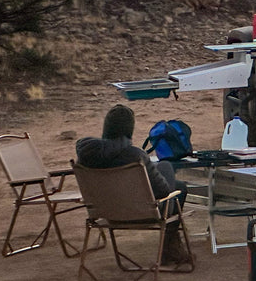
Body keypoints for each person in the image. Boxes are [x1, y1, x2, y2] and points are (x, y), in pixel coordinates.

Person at [75, 104, 192, 266]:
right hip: (141, 213)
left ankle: (172, 249)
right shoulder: (135, 156)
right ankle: (170, 250)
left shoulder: (86, 155)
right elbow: (163, 191)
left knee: (177, 183)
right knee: (173, 178)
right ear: (129, 129)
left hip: (105, 213)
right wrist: (165, 169)